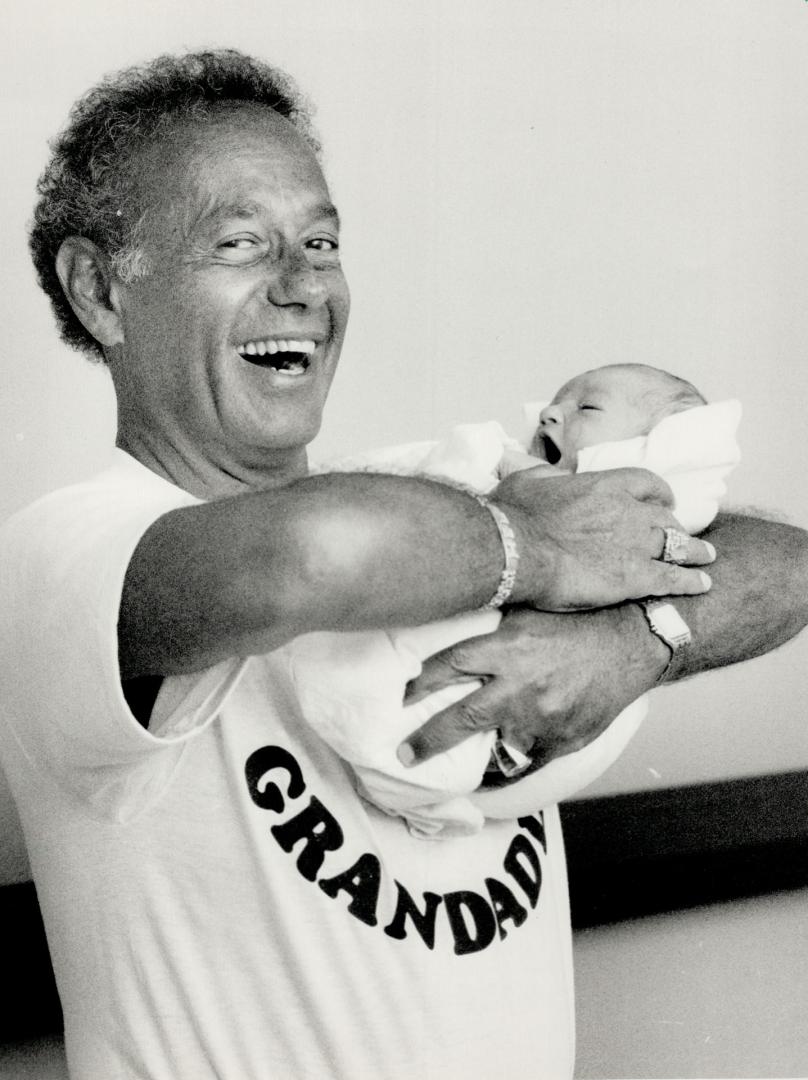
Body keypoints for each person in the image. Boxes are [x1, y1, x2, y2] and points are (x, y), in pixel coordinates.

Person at [0, 49, 805, 1080]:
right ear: (101, 290)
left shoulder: (419, 506)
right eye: (239, 243)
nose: (301, 285)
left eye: (321, 242)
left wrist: (635, 639)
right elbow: (305, 559)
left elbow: (786, 563)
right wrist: (552, 550)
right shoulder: (60, 553)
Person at [288, 364, 742, 837]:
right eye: (556, 402)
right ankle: (417, 779)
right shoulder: (509, 469)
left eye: (585, 408)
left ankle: (425, 779)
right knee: (379, 673)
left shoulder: (660, 518)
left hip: (532, 758)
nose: (548, 413)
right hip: (458, 671)